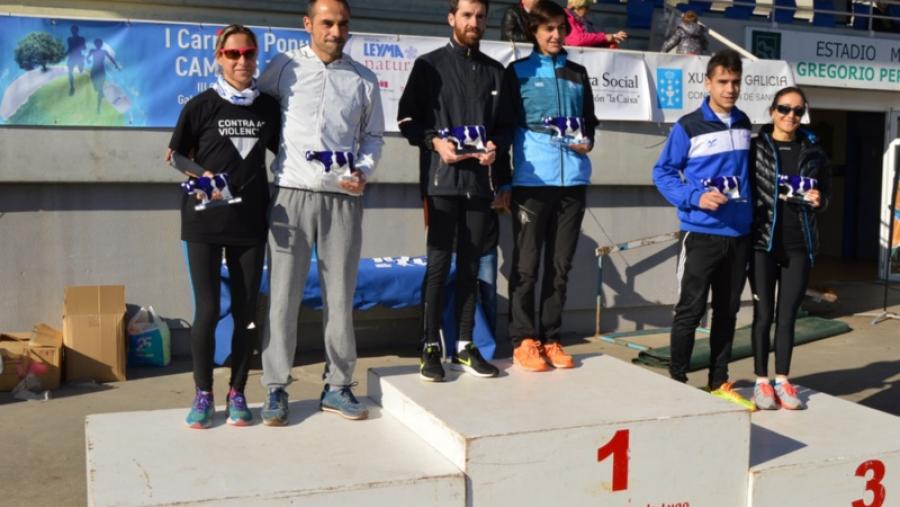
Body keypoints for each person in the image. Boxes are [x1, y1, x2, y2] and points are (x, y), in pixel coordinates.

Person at [258, 0, 384, 424]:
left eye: (343, 23)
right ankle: (276, 387)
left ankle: (339, 385)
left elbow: (372, 138)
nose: (335, 30)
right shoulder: (283, 67)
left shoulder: (363, 80)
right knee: (282, 297)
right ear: (308, 24)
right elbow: (256, 114)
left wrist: (362, 172)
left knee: (340, 296)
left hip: (343, 200)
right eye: (327, 23)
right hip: (290, 195)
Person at [167, 24, 281, 429]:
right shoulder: (201, 105)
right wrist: (205, 175)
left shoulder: (267, 108)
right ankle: (202, 393)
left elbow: (285, 154)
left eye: (248, 53)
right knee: (210, 310)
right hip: (203, 222)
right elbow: (175, 155)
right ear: (218, 57)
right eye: (232, 54)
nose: (242, 61)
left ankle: (237, 392)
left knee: (248, 312)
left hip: (250, 224)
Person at [398, 0, 514, 383]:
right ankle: (430, 346)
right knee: (437, 266)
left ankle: (465, 345)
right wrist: (434, 143)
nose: (473, 22)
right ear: (451, 19)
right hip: (441, 183)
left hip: (479, 186)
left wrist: (496, 148)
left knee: (470, 265)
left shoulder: (496, 72)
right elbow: (407, 119)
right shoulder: (429, 65)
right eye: (466, 15)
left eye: (480, 16)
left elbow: (505, 128)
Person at [652, 49, 755, 411]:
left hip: (738, 236)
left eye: (736, 82)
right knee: (690, 311)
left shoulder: (744, 123)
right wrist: (695, 196)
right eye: (723, 82)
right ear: (708, 83)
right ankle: (677, 382)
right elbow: (662, 172)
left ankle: (717, 382)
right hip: (701, 234)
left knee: (727, 312)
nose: (730, 89)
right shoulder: (688, 125)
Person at [505, 0, 596, 372]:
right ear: (534, 32)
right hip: (532, 180)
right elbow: (504, 126)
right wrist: (501, 182)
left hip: (573, 180)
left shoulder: (578, 72)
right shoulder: (517, 72)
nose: (556, 35)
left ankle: (550, 337)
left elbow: (590, 121)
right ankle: (523, 339)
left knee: (560, 267)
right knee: (527, 266)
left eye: (560, 28)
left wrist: (588, 140)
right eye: (548, 30)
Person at [749, 87, 829, 411]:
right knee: (763, 314)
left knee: (787, 317)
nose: (790, 116)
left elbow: (827, 198)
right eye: (784, 109)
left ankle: (783, 379)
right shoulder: (755, 148)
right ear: (772, 111)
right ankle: (760, 380)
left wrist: (820, 201)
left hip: (800, 245)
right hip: (763, 242)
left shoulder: (814, 153)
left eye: (797, 111)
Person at [87, 38, 121, 113]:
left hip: (101, 71)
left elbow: (111, 58)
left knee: (99, 89)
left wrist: (116, 66)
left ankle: (98, 108)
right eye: (97, 43)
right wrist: (88, 60)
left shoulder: (104, 52)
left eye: (100, 43)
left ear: (101, 44)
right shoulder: (92, 51)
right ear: (95, 44)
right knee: (96, 87)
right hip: (94, 70)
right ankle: (100, 91)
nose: (98, 45)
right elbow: (87, 58)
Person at [66, 25, 86, 96]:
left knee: (81, 70)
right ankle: (72, 87)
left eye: (74, 30)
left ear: (77, 30)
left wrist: (79, 46)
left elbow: (84, 48)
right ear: (71, 31)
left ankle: (81, 85)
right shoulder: (69, 39)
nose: (73, 31)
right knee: (70, 73)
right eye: (72, 30)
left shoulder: (82, 39)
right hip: (71, 57)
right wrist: (65, 54)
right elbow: (69, 49)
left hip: (78, 57)